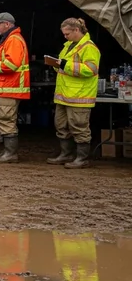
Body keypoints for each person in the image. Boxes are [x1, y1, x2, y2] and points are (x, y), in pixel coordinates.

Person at [46, 18, 100, 169]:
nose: (65, 37)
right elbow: (63, 65)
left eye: (67, 33)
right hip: (64, 94)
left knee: (79, 127)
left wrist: (64, 64)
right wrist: (56, 65)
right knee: (61, 125)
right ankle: (66, 154)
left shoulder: (89, 48)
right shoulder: (68, 45)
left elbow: (90, 69)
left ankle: (82, 158)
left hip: (79, 96)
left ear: (77, 30)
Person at [0, 12, 30, 164]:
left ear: (7, 24)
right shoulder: (10, 39)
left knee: (5, 120)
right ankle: (8, 152)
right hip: (8, 87)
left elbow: (11, 65)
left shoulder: (13, 40)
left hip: (10, 87)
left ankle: (10, 154)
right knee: (5, 120)